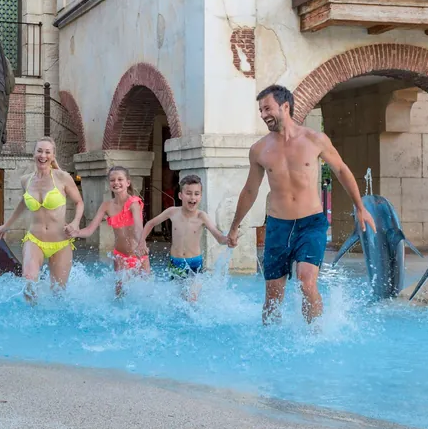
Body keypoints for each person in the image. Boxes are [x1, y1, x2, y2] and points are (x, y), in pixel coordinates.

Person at [227, 85, 376, 324]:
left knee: (307, 281)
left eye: (268, 108)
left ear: (285, 106)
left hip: (311, 223)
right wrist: (235, 226)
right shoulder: (259, 150)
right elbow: (250, 190)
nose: (263, 114)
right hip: (278, 226)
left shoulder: (315, 139)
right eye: (261, 110)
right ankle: (270, 342)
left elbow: (341, 170)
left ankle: (314, 336)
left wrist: (360, 207)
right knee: (273, 295)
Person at [0, 137, 83, 303]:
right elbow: (23, 203)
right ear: (34, 154)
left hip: (61, 243)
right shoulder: (25, 180)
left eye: (47, 152)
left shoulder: (62, 177)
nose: (43, 155)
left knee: (59, 293)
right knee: (29, 281)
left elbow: (79, 202)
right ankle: (30, 320)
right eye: (40, 151)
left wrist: (75, 222)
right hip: (34, 240)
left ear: (53, 156)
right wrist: (7, 225)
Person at [139, 174, 229, 302]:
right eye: (189, 193)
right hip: (175, 263)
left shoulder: (201, 216)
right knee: (177, 299)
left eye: (196, 194)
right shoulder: (172, 212)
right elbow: (150, 223)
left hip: (194, 263)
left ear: (201, 196)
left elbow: (218, 236)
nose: (193, 197)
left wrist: (227, 240)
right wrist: (142, 241)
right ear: (181, 195)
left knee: (192, 299)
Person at [67, 166, 150, 297]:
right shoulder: (106, 206)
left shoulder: (134, 202)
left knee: (145, 295)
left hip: (138, 254)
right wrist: (75, 233)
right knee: (119, 295)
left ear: (127, 182)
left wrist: (142, 243)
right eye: (112, 180)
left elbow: (139, 227)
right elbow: (89, 230)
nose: (116, 182)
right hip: (119, 256)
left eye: (120, 179)